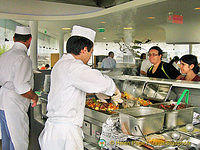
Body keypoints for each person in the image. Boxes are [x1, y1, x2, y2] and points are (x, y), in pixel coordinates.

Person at [38, 25, 122, 150]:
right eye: (91, 52)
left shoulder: (62, 63)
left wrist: (95, 93)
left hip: (55, 131)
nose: (90, 56)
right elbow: (101, 81)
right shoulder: (74, 66)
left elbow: (71, 88)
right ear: (83, 49)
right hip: (66, 135)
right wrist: (115, 91)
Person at [0, 26, 38, 150]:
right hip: (14, 104)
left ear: (13, 38)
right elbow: (22, 88)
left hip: (3, 102)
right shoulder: (23, 58)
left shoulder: (4, 56)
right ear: (30, 40)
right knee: (18, 141)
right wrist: (34, 96)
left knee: (7, 138)